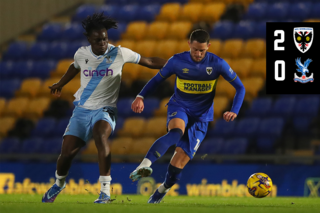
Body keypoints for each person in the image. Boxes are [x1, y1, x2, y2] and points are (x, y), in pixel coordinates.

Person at [42, 12, 166, 204]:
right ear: (89, 39)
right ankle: (59, 184)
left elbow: (149, 61)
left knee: (100, 135)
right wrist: (60, 83)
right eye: (98, 40)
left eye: (105, 39)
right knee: (66, 154)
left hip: (106, 109)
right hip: (82, 110)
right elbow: (74, 66)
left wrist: (176, 64)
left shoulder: (119, 53)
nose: (103, 43)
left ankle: (105, 193)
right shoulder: (81, 54)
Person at [129, 29, 246, 203]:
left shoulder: (218, 64)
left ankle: (162, 189)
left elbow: (240, 87)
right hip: (180, 106)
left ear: (209, 47)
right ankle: (144, 165)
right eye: (195, 49)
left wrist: (234, 110)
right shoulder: (176, 61)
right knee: (176, 132)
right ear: (189, 44)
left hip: (202, 116)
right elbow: (156, 80)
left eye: (202, 50)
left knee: (179, 162)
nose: (198, 54)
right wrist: (140, 96)